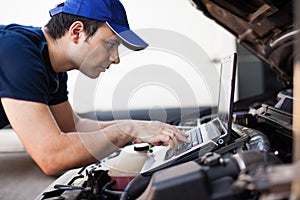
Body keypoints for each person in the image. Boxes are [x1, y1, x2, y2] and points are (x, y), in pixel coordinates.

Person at [0, 0, 189, 176]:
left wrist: (142, 127)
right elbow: (51, 157)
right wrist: (126, 131)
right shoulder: (17, 53)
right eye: (110, 44)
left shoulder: (50, 66)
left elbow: (73, 127)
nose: (116, 58)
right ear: (76, 32)